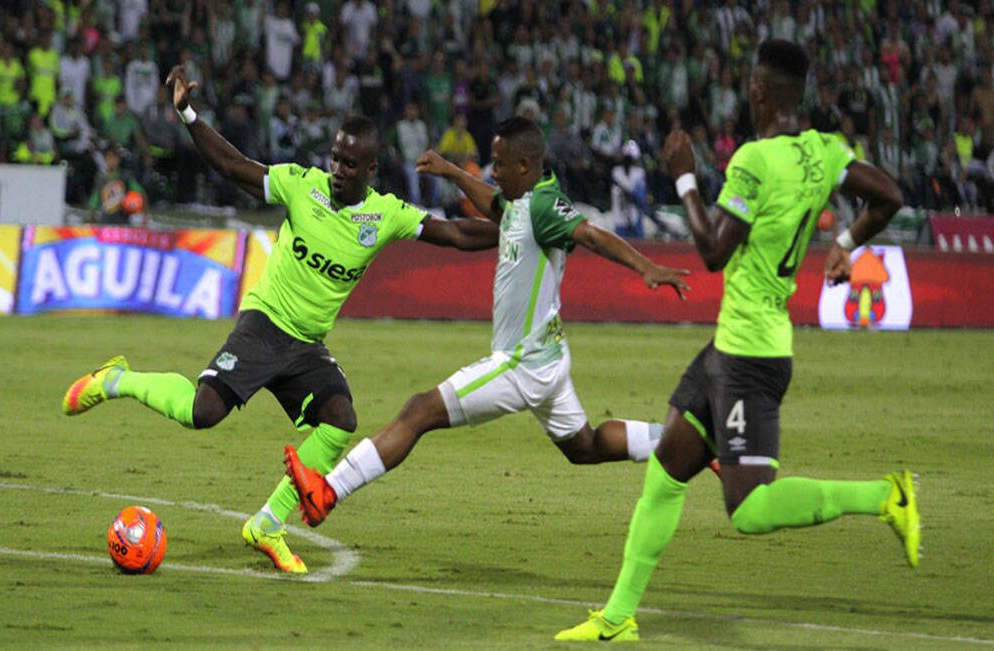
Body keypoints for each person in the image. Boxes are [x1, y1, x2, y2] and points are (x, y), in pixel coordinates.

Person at [62, 65, 501, 575]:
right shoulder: (301, 185)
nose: (339, 169)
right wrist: (186, 113)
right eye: (336, 158)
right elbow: (232, 167)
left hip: (307, 346)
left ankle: (268, 524)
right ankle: (118, 379)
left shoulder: (386, 215)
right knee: (202, 413)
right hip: (265, 325)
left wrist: (512, 226)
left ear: (372, 169)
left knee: (340, 421)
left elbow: (456, 236)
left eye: (351, 164)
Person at [555, 40, 919, 643]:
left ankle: (886, 496)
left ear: (757, 91)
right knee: (669, 468)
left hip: (752, 359)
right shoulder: (821, 152)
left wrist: (686, 177)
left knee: (749, 510)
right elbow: (889, 197)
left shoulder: (755, 160)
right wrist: (847, 243)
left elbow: (713, 251)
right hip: (733, 347)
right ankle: (618, 617)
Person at [282, 117, 690, 533]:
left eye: (499, 164)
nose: (492, 172)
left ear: (525, 167)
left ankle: (328, 491)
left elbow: (590, 234)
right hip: (548, 358)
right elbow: (493, 203)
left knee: (419, 410)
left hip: (521, 364)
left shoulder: (544, 207)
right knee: (584, 445)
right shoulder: (523, 199)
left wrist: (647, 267)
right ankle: (683, 440)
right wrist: (452, 172)